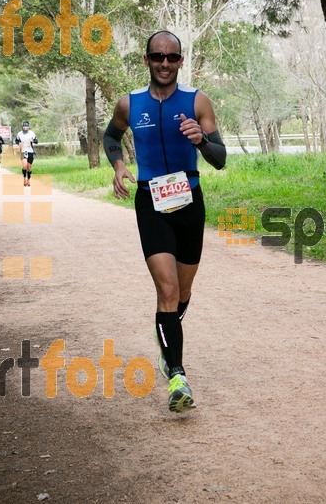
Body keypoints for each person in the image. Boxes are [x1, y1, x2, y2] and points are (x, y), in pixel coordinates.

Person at [103, 30, 227, 413]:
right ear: (146, 59)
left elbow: (221, 158)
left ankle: (166, 337)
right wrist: (120, 164)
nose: (164, 63)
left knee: (182, 295)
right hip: (150, 201)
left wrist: (200, 142)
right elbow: (110, 136)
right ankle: (177, 374)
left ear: (181, 61)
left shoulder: (197, 100)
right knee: (168, 291)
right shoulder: (129, 103)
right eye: (157, 56)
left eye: (172, 57)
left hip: (189, 201)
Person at [14, 121, 38, 186]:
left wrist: (32, 140)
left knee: (29, 167)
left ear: (28, 128)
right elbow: (16, 140)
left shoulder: (32, 133)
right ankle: (24, 179)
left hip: (30, 151)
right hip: (23, 151)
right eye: (24, 127)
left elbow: (36, 141)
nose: (25, 129)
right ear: (22, 127)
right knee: (24, 166)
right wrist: (19, 144)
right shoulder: (19, 134)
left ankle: (29, 180)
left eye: (27, 127)